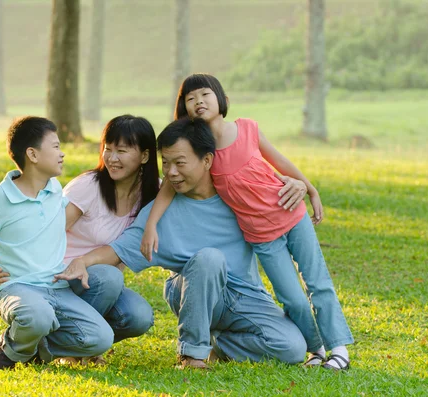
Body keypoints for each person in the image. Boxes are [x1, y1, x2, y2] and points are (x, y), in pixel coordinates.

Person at [54, 117, 308, 370]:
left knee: (292, 348)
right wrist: (83, 261)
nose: (172, 172)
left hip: (244, 295)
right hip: (190, 288)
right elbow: (119, 248)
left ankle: (219, 345)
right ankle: (192, 355)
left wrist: (299, 184)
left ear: (207, 160)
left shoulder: (236, 195)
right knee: (209, 258)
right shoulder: (157, 212)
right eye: (166, 163)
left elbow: (269, 183)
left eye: (180, 163)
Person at [140, 73, 353, 370]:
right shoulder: (201, 153)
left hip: (291, 215)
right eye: (190, 98)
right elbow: (167, 188)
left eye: (205, 94)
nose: (199, 101)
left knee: (318, 283)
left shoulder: (247, 129)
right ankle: (316, 350)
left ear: (222, 99)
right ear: (184, 109)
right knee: (292, 298)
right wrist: (150, 225)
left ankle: (339, 351)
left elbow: (280, 161)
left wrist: (309, 188)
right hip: (261, 236)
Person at [0, 115, 159, 362]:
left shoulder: (153, 195)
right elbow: (38, 230)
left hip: (99, 284)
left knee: (139, 316)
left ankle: (49, 345)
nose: (112, 158)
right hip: (59, 278)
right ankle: (58, 340)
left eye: (122, 150)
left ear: (144, 156)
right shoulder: (89, 186)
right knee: (110, 276)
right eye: (108, 149)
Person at [0, 116, 113, 370]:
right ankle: (11, 350)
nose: (63, 153)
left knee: (101, 339)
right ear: (33, 155)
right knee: (38, 315)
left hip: (56, 287)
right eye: (56, 146)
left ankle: (36, 346)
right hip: (16, 287)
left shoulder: (55, 189)